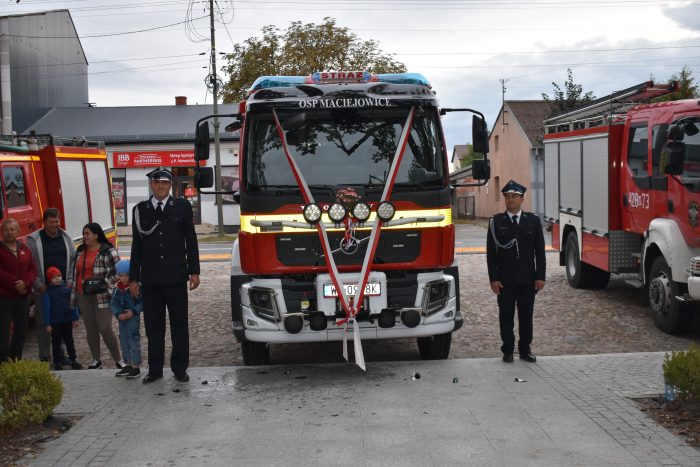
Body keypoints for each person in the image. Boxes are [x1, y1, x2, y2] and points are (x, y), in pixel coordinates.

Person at [129, 166, 200, 383]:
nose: (160, 186)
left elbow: (191, 239)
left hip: (176, 276)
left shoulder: (181, 206)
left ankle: (179, 368)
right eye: (157, 182)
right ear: (152, 184)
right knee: (153, 327)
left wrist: (194, 271)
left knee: (179, 325)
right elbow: (137, 245)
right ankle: (155, 369)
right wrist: (134, 277)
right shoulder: (140, 210)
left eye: (165, 182)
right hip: (150, 279)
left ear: (171, 185)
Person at [486, 180, 546, 363]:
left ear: (522, 199)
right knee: (506, 317)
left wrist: (540, 276)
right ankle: (508, 349)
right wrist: (493, 279)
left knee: (526, 317)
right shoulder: (496, 222)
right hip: (505, 280)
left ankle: (525, 349)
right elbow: (491, 254)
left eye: (514, 196)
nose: (510, 200)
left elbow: (540, 251)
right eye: (507, 197)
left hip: (528, 279)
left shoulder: (533, 221)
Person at [26, 208, 76, 363]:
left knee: (61, 322)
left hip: (61, 289)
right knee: (42, 323)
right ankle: (45, 356)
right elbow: (29, 265)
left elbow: (73, 261)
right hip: (43, 289)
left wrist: (68, 282)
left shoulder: (66, 237)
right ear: (44, 223)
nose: (55, 225)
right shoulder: (34, 240)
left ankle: (59, 355)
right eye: (51, 222)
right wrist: (37, 285)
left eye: (57, 221)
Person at [74, 223, 124, 369]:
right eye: (83, 233)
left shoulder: (107, 251)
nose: (84, 236)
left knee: (105, 327)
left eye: (87, 233)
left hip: (101, 295)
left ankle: (118, 359)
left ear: (96, 235)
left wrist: (105, 283)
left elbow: (118, 271)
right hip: (83, 295)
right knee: (91, 329)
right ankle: (96, 360)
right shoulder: (80, 250)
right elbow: (74, 272)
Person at [0, 218, 37, 363]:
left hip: (22, 298)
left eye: (12, 229)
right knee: (3, 332)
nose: (9, 232)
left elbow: (32, 269)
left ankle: (15, 361)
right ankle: (3, 363)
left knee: (20, 332)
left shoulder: (24, 249)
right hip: (4, 298)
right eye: (6, 230)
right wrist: (16, 283)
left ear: (18, 231)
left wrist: (26, 282)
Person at [43, 267, 83, 371]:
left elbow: (72, 304)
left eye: (59, 276)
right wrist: (47, 324)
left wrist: (75, 318)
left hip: (67, 320)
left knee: (70, 341)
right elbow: (46, 308)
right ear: (49, 279)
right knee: (56, 342)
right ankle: (57, 362)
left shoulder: (67, 290)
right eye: (54, 277)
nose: (57, 279)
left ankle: (73, 359)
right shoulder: (48, 293)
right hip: (55, 322)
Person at [111, 259, 142, 379]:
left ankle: (136, 366)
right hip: (122, 319)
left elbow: (141, 303)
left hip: (132, 318)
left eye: (126, 275)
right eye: (121, 275)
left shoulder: (136, 287)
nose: (123, 278)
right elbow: (113, 303)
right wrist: (118, 313)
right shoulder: (117, 288)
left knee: (133, 340)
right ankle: (127, 364)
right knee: (123, 340)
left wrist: (133, 311)